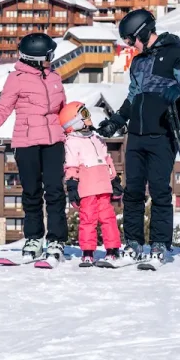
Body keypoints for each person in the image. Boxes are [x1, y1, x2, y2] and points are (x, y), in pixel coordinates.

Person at [96, 8, 180, 267]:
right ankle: (132, 244)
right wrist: (115, 122)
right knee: (132, 192)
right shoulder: (139, 62)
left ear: (142, 32)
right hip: (137, 136)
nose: (130, 45)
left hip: (163, 133)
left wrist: (176, 89)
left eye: (131, 40)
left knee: (159, 191)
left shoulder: (177, 54)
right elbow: (133, 98)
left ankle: (159, 246)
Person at [0, 33, 67, 262]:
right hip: (26, 142)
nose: (52, 58)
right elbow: (1, 111)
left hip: (54, 142)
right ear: (36, 57)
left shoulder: (54, 77)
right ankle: (34, 238)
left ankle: (56, 240)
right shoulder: (16, 79)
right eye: (49, 54)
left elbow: (63, 111)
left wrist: (76, 129)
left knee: (55, 192)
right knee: (31, 193)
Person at [59, 101, 124, 266]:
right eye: (85, 114)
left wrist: (114, 180)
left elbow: (106, 160)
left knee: (108, 218)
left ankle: (112, 249)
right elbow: (71, 166)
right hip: (87, 188)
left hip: (103, 187)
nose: (89, 118)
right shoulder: (71, 142)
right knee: (88, 219)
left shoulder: (97, 138)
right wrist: (72, 186)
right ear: (76, 122)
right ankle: (87, 251)